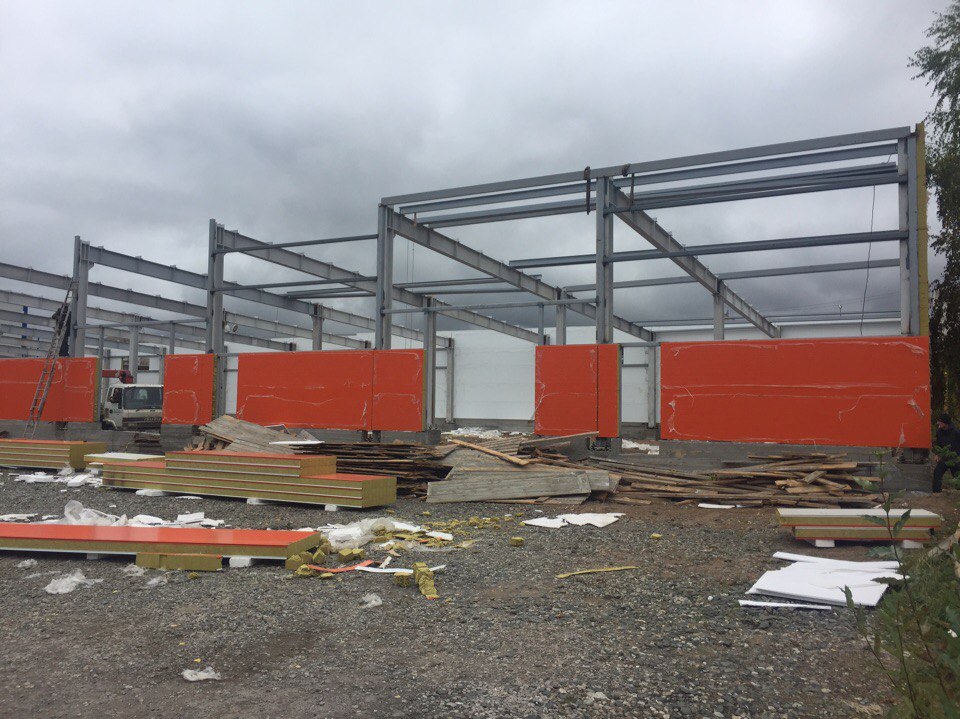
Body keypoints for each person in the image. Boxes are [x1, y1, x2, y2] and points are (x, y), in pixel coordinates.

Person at [933, 412, 960, 493]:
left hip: (955, 459)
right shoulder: (939, 432)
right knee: (937, 472)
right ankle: (936, 493)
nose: (939, 423)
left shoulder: (956, 432)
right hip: (944, 458)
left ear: (946, 423)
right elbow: (938, 444)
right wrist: (937, 454)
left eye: (940, 422)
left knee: (957, 476)